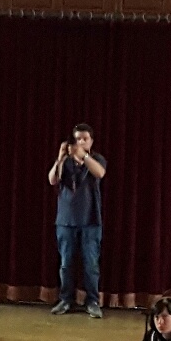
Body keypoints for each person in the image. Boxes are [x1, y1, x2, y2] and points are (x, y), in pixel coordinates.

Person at [48, 122, 107, 317]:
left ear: (91, 141)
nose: (81, 142)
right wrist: (60, 158)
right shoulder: (65, 162)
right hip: (65, 221)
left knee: (91, 264)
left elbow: (100, 173)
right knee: (66, 264)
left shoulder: (96, 159)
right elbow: (52, 180)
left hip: (91, 221)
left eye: (85, 139)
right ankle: (66, 299)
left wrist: (85, 157)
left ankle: (92, 301)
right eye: (77, 139)